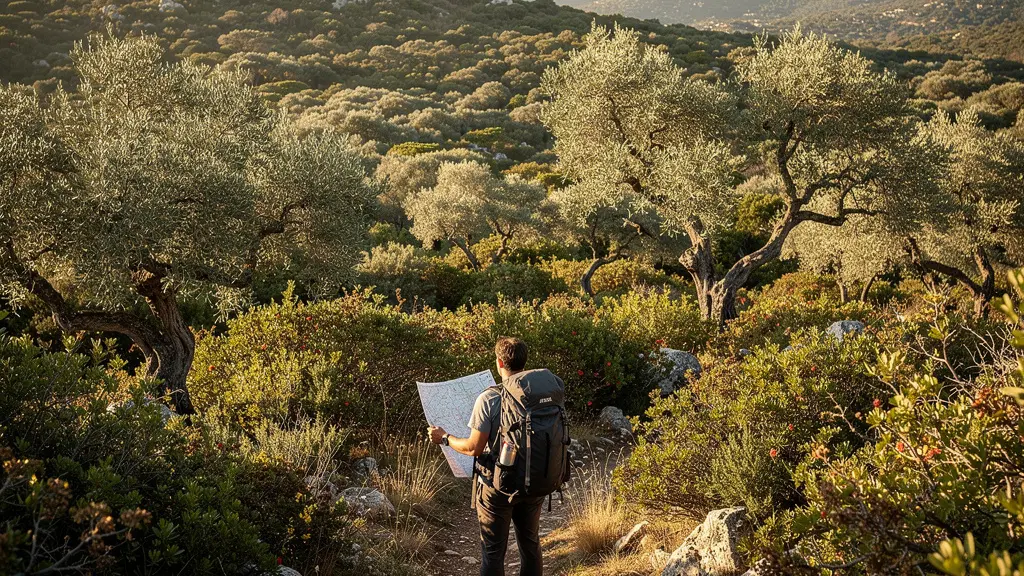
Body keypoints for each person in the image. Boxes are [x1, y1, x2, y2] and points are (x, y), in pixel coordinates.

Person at [429, 337, 564, 576]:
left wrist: (444, 438)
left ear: (500, 362)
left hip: (497, 487)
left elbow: (473, 448)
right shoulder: (544, 391)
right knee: (530, 543)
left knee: (493, 552)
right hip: (535, 479)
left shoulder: (490, 398)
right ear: (524, 361)